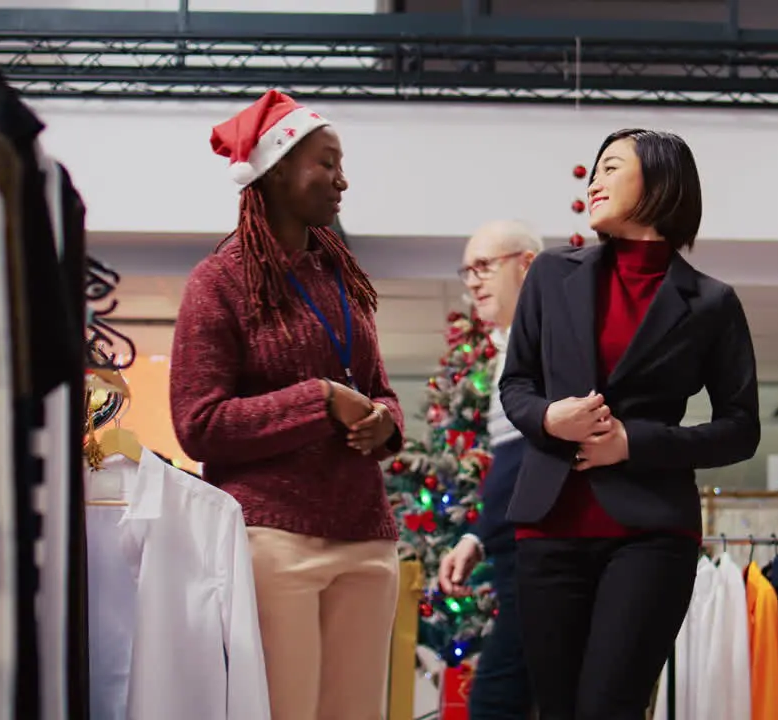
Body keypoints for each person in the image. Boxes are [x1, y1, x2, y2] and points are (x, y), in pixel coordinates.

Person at [498, 129, 761, 720]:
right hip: (549, 528)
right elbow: (515, 384)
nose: (593, 181)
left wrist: (632, 444)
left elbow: (741, 427)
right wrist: (548, 416)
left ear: (661, 183)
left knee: (608, 708)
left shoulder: (713, 303)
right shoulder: (549, 273)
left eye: (611, 168)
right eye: (593, 170)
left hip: (651, 533)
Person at [170, 89, 404, 720]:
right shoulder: (218, 282)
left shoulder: (342, 278)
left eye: (341, 164)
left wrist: (385, 422)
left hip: (366, 535)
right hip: (272, 539)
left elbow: (379, 388)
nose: (341, 180)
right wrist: (318, 400)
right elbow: (199, 423)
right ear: (275, 170)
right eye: (325, 164)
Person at [439, 220, 543, 719]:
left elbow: (537, 459)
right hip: (514, 554)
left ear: (526, 264)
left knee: (497, 700)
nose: (473, 282)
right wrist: (477, 537)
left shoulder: (548, 345)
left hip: (540, 555)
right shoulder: (508, 352)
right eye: (467, 271)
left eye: (485, 266)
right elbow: (512, 465)